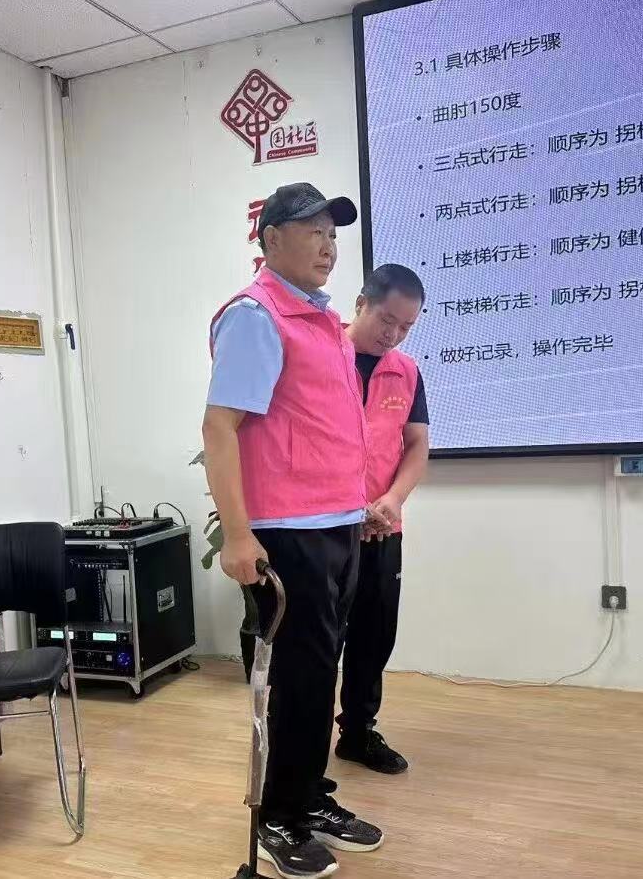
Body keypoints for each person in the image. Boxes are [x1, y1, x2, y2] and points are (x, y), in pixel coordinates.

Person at [202, 182, 384, 879]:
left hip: (335, 524)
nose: (328, 246)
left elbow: (319, 426)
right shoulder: (255, 317)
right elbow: (220, 428)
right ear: (271, 239)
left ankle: (308, 795)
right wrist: (237, 536)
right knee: (299, 679)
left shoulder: (320, 319)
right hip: (286, 533)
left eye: (333, 234)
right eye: (313, 231)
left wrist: (359, 503)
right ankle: (278, 815)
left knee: (319, 671)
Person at [335, 264, 430, 775]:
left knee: (374, 634)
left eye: (406, 327)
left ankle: (357, 732)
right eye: (387, 320)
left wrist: (393, 499)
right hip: (326, 527)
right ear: (361, 304)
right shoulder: (322, 356)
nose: (393, 334)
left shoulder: (407, 372)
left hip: (381, 528)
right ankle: (300, 744)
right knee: (318, 639)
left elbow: (416, 447)